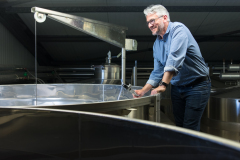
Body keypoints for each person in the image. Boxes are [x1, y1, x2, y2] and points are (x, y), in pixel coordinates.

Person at [134, 4, 211, 131]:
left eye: (152, 21)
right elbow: (157, 71)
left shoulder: (179, 30)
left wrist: (163, 85)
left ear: (164, 17)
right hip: (177, 87)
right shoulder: (156, 44)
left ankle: (192, 151)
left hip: (197, 86)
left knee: (190, 128)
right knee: (180, 127)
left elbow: (173, 60)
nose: (149, 25)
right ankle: (183, 150)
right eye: (148, 22)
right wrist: (144, 90)